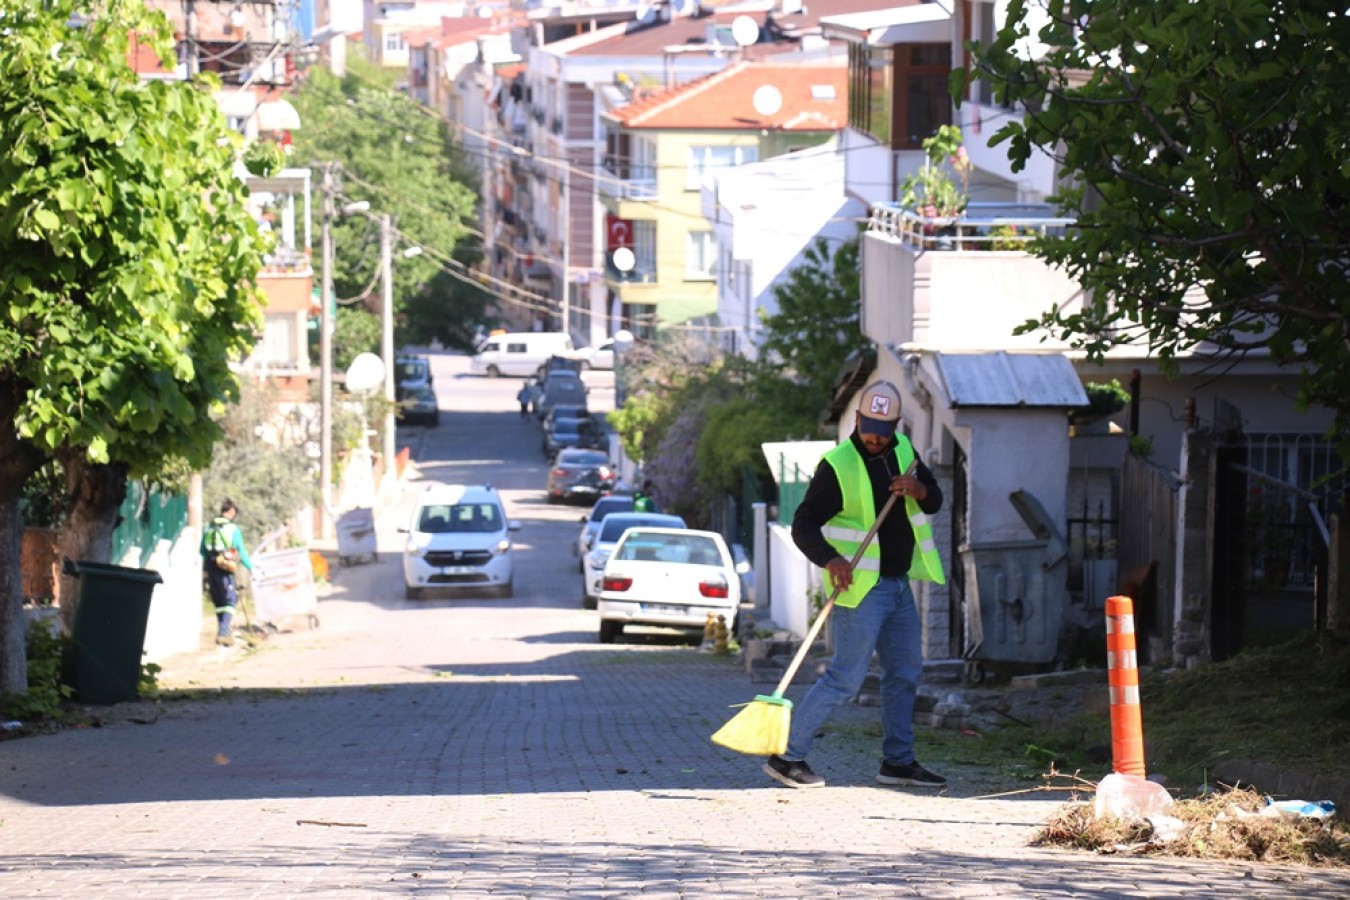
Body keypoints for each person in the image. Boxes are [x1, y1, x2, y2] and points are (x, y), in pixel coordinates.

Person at [765, 380, 947, 790]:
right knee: (846, 678)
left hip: (899, 586)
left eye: (884, 430)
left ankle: (898, 763)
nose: (876, 437)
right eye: (869, 427)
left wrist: (918, 489)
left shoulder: (904, 452)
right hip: (862, 589)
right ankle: (786, 757)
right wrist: (831, 559)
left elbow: (934, 499)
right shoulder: (838, 465)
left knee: (904, 674)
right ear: (858, 419)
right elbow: (804, 524)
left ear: (896, 425)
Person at [201, 499, 253, 647]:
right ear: (231, 512)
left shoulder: (207, 527)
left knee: (218, 600)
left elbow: (202, 551)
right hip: (225, 565)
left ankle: (224, 632)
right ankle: (223, 634)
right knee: (230, 599)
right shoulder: (232, 529)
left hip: (210, 565)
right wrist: (251, 566)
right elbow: (241, 552)